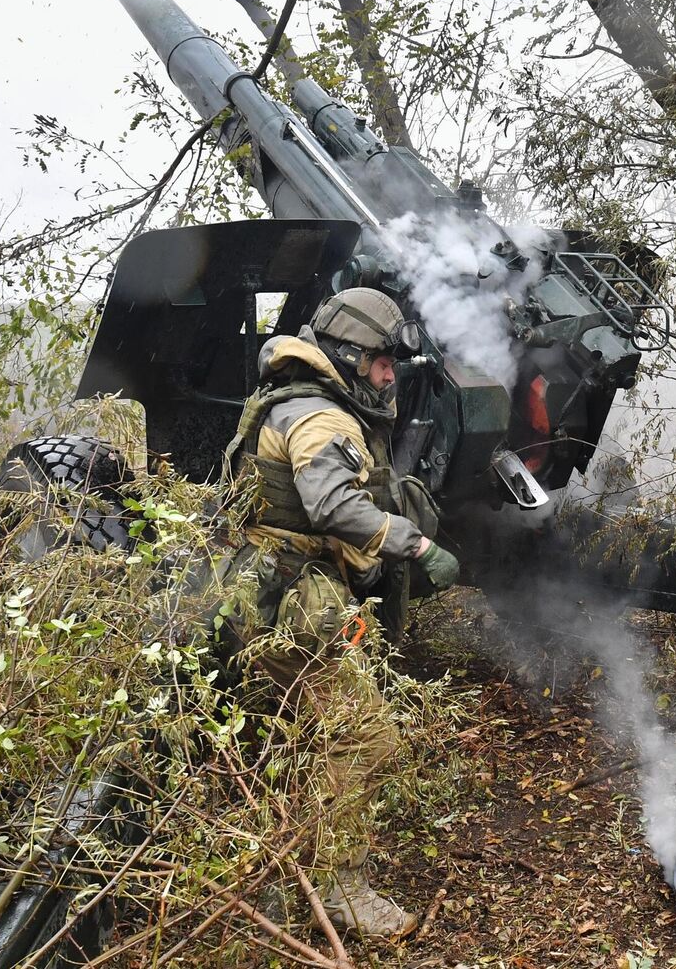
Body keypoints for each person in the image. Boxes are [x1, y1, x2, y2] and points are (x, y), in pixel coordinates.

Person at [219, 286, 460, 939]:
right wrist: (416, 543)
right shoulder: (322, 416)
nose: (390, 374)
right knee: (364, 738)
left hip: (267, 594)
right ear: (351, 355)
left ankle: (277, 886)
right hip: (291, 599)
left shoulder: (295, 398)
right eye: (383, 361)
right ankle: (341, 888)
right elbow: (330, 506)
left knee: (291, 743)